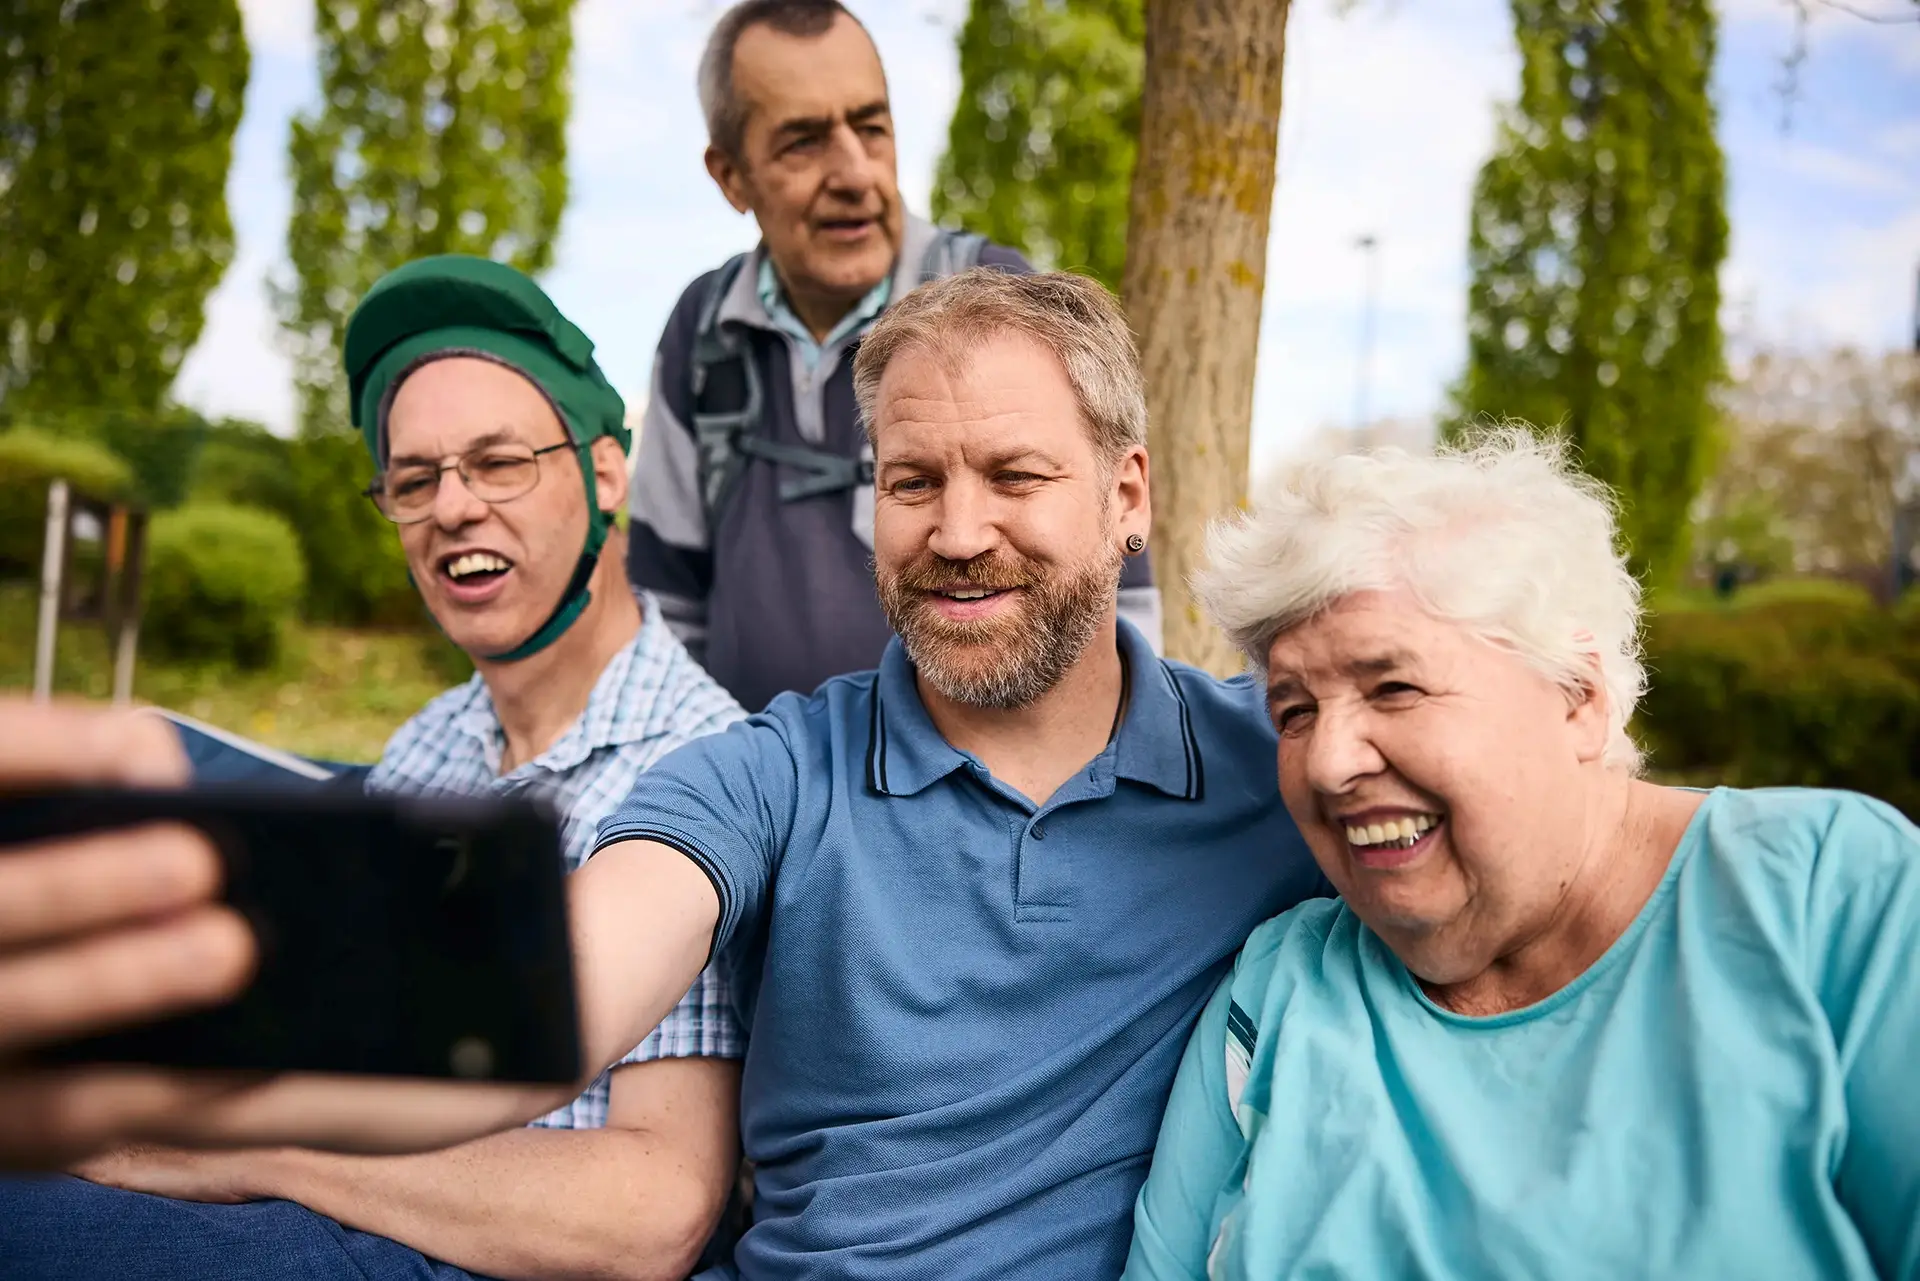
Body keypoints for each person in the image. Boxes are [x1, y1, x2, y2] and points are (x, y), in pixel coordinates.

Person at [0, 257, 750, 1281]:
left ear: (606, 473)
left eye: (499, 463)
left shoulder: (705, 768)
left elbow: (653, 1211)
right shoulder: (430, 744)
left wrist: (246, 1150)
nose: (452, 508)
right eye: (414, 478)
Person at [1122, 431, 1920, 1281]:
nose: (1327, 760)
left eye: (1394, 686)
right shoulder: (1276, 991)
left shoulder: (1832, 897)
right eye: (1294, 710)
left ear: (1579, 698)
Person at [628, 0, 1163, 712]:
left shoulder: (1001, 301)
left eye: (871, 127)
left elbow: (1115, 578)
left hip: (962, 799)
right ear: (730, 177)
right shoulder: (703, 330)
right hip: (754, 797)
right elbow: (666, 607)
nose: (855, 172)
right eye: (803, 142)